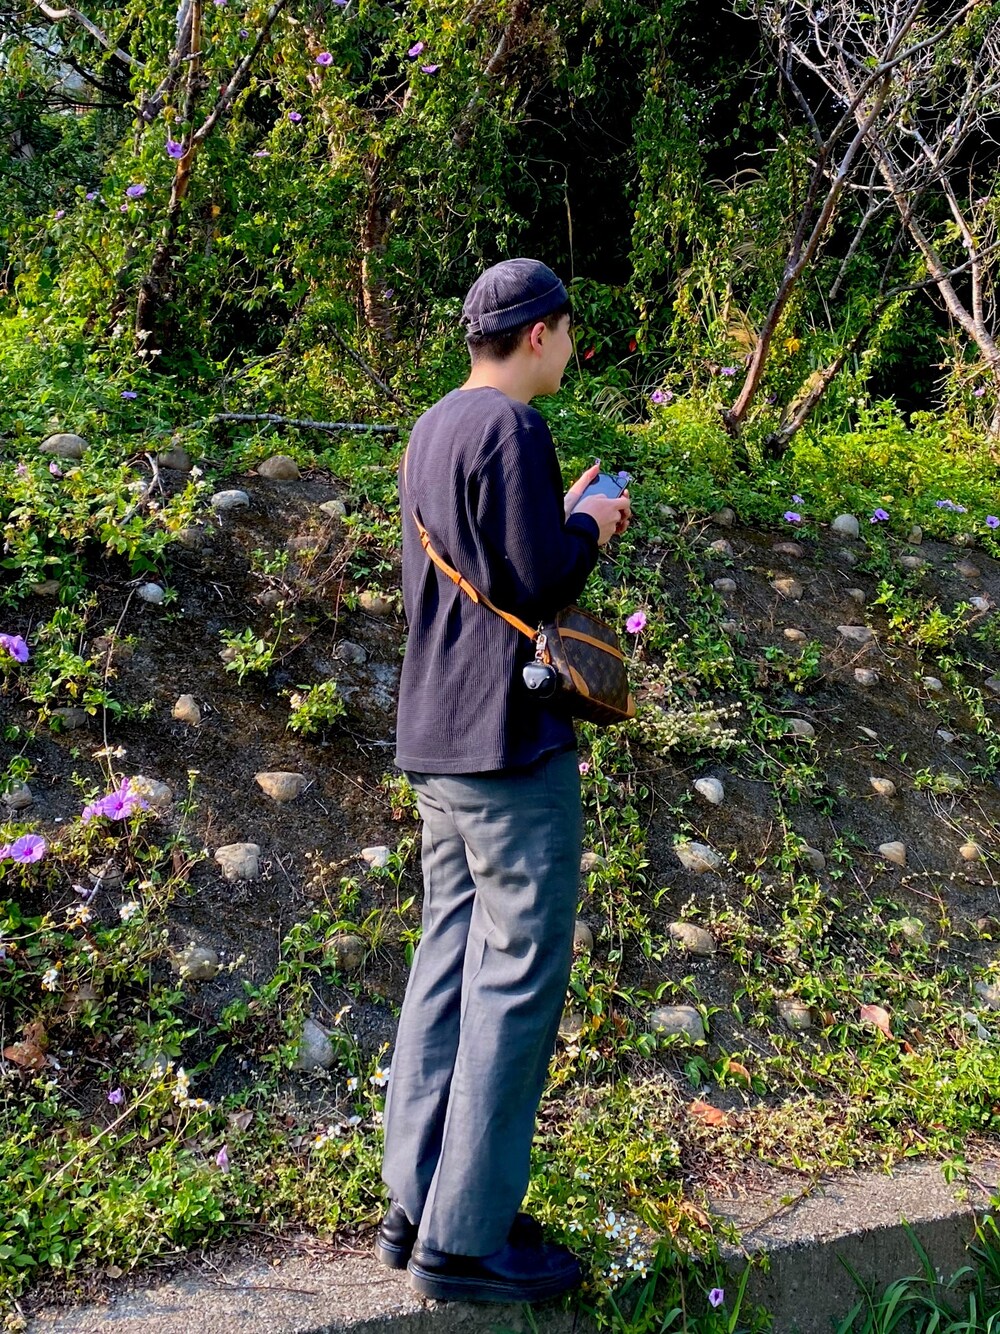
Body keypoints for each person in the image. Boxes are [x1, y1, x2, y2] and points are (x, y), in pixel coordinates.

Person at [376, 258, 631, 1304]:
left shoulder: (433, 425)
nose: (570, 349)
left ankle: (415, 1202)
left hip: (435, 736)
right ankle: (468, 1239)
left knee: (445, 959)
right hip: (507, 743)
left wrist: (555, 515)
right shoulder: (515, 427)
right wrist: (592, 525)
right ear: (539, 332)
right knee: (518, 974)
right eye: (567, 332)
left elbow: (480, 563)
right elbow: (537, 577)